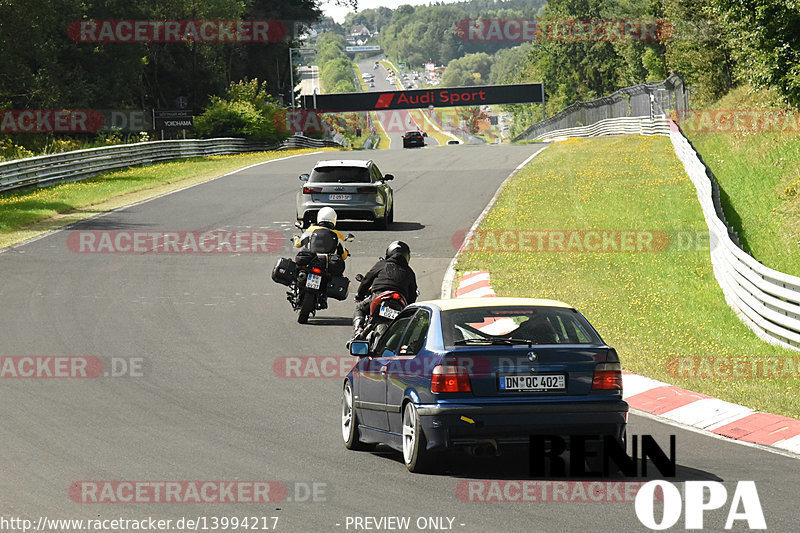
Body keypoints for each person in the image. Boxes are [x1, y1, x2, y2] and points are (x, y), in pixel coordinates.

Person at [352, 240, 417, 338]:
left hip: (379, 295)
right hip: (399, 300)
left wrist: (360, 295)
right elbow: (413, 294)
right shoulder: (410, 272)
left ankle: (358, 330)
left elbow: (366, 280)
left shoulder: (381, 264)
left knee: (359, 308)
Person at [293, 207, 348, 276]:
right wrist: (346, 252)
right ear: (334, 219)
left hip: (310, 261)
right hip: (328, 265)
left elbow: (298, 244)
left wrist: (295, 238)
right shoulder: (338, 234)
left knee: (298, 268)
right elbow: (343, 255)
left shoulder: (311, 229)